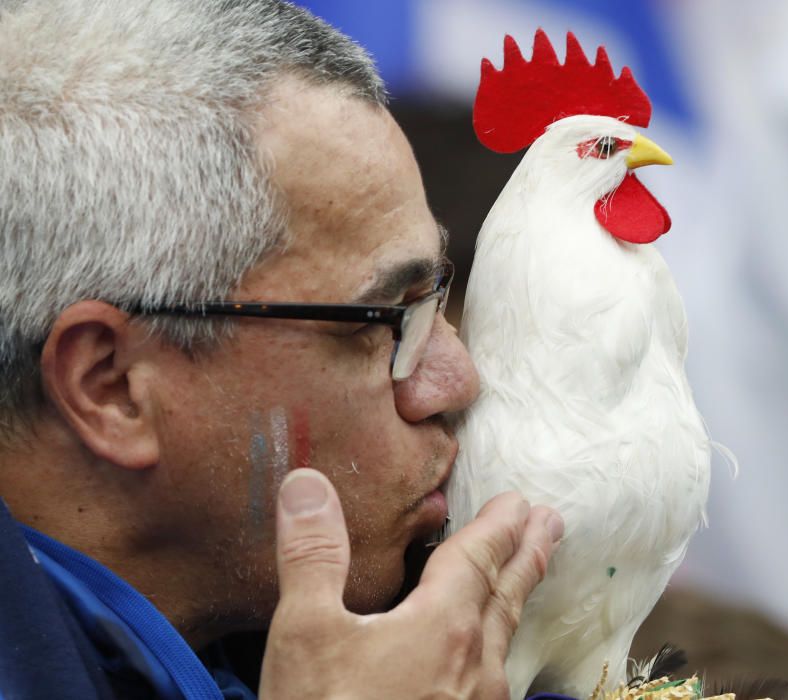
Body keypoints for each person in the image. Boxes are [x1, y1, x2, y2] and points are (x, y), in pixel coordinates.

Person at [0, 1, 564, 698]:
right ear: (111, 387)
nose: (455, 380)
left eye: (436, 294)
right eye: (384, 320)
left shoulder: (422, 642)